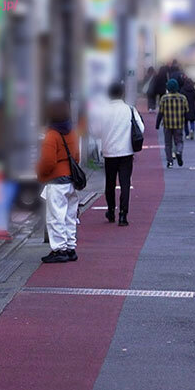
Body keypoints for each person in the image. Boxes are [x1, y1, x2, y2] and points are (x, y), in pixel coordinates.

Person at [88, 82, 145, 227]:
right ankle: (123, 215)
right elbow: (141, 128)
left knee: (110, 183)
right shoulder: (130, 110)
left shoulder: (103, 111)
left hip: (109, 151)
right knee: (125, 183)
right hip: (126, 151)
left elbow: (95, 131)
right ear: (122, 94)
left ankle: (111, 211)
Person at [36, 101, 80, 263]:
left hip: (56, 181)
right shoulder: (72, 133)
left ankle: (59, 250)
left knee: (56, 217)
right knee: (70, 216)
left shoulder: (51, 135)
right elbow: (77, 156)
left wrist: (40, 175)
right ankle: (70, 248)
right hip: (71, 180)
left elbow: (48, 162)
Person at [156, 78, 189, 168]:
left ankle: (169, 162)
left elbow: (161, 112)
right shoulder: (182, 98)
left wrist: (157, 124)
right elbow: (187, 111)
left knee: (168, 144)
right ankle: (178, 152)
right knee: (179, 141)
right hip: (179, 124)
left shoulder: (164, 98)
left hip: (167, 124)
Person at [179, 74, 195, 140]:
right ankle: (192, 130)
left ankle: (187, 134)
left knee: (185, 122)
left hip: (184, 109)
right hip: (192, 108)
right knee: (192, 121)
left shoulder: (182, 90)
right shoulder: (194, 90)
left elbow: (180, 100)